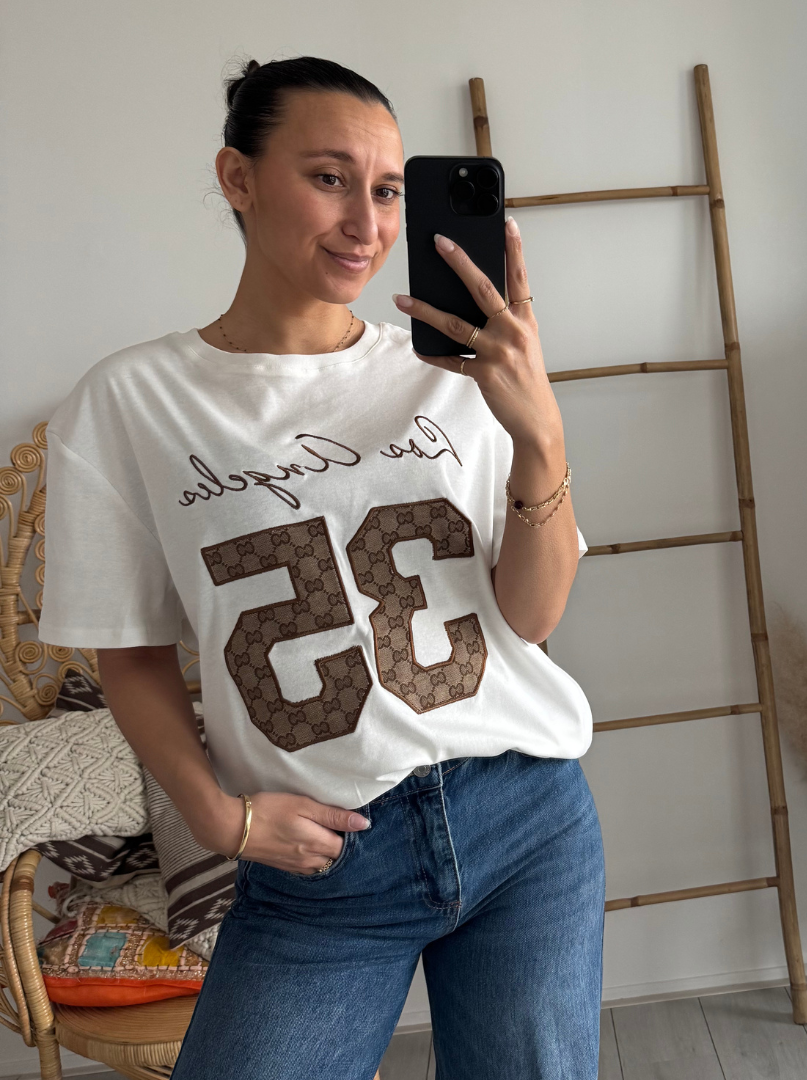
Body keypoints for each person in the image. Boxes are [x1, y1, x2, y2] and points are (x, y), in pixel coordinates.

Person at [37, 55, 605, 1080]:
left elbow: (530, 618)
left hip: (525, 818)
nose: (366, 223)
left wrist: (541, 435)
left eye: (386, 190)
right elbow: (131, 655)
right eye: (330, 178)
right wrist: (218, 817)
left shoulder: (455, 374)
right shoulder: (128, 404)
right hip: (325, 863)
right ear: (238, 177)